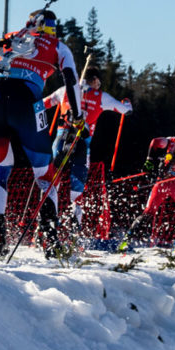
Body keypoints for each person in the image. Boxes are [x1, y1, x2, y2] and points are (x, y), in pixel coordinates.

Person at [0, 8, 81, 259]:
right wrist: (78, 116)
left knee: (1, 166)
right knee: (44, 171)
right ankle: (49, 238)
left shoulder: (8, 37)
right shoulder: (59, 46)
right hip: (26, 99)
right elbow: (71, 81)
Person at [42, 66, 131, 231]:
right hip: (82, 143)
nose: (99, 85)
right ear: (95, 80)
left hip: (61, 139)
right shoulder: (101, 96)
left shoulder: (64, 90)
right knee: (77, 185)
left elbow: (43, 104)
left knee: (53, 180)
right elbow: (126, 110)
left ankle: (47, 222)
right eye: (99, 82)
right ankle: (75, 226)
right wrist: (127, 103)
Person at [119, 124, 175, 251]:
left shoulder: (173, 140)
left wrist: (149, 160)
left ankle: (125, 241)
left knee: (148, 212)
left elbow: (156, 142)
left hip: (162, 181)